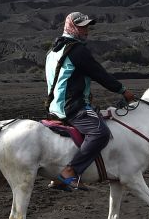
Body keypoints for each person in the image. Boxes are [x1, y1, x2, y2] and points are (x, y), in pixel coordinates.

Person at [45, 11, 137, 189]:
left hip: (54, 106)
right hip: (72, 107)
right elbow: (99, 74)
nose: (86, 30)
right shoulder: (77, 50)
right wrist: (123, 91)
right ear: (72, 27)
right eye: (82, 26)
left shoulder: (54, 49)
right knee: (100, 133)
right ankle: (70, 172)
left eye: (87, 26)